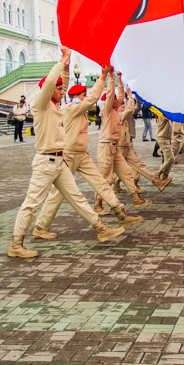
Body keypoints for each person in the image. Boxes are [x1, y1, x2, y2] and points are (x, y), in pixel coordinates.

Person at [9, 48, 125, 258]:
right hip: (45, 162)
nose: (63, 90)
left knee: (77, 197)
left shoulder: (55, 106)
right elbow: (53, 82)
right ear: (49, 89)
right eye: (59, 88)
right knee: (32, 204)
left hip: (58, 161)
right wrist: (62, 60)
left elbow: (61, 81)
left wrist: (71, 65)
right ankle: (16, 244)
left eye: (64, 88)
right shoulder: (40, 104)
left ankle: (101, 229)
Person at [32, 65, 143, 239]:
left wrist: (110, 78)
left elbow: (91, 100)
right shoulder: (71, 108)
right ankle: (41, 226)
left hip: (81, 153)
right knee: (59, 193)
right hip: (69, 154)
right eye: (83, 95)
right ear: (77, 96)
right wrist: (103, 76)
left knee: (101, 182)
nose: (86, 98)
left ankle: (120, 213)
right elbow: (91, 99)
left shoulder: (77, 108)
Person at [95, 70, 161, 213]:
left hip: (115, 148)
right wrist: (110, 77)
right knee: (106, 178)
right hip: (106, 147)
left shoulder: (117, 112)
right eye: (114, 99)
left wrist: (121, 84)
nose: (118, 100)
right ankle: (97, 204)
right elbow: (113, 96)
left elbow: (126, 104)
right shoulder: (106, 111)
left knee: (126, 172)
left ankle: (136, 198)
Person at [113, 75, 162, 197]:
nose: (124, 107)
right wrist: (130, 96)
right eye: (121, 106)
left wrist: (135, 96)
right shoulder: (118, 115)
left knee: (137, 164)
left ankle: (153, 182)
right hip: (120, 145)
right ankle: (111, 190)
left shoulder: (124, 113)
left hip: (127, 142)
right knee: (119, 170)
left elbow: (135, 108)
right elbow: (130, 108)